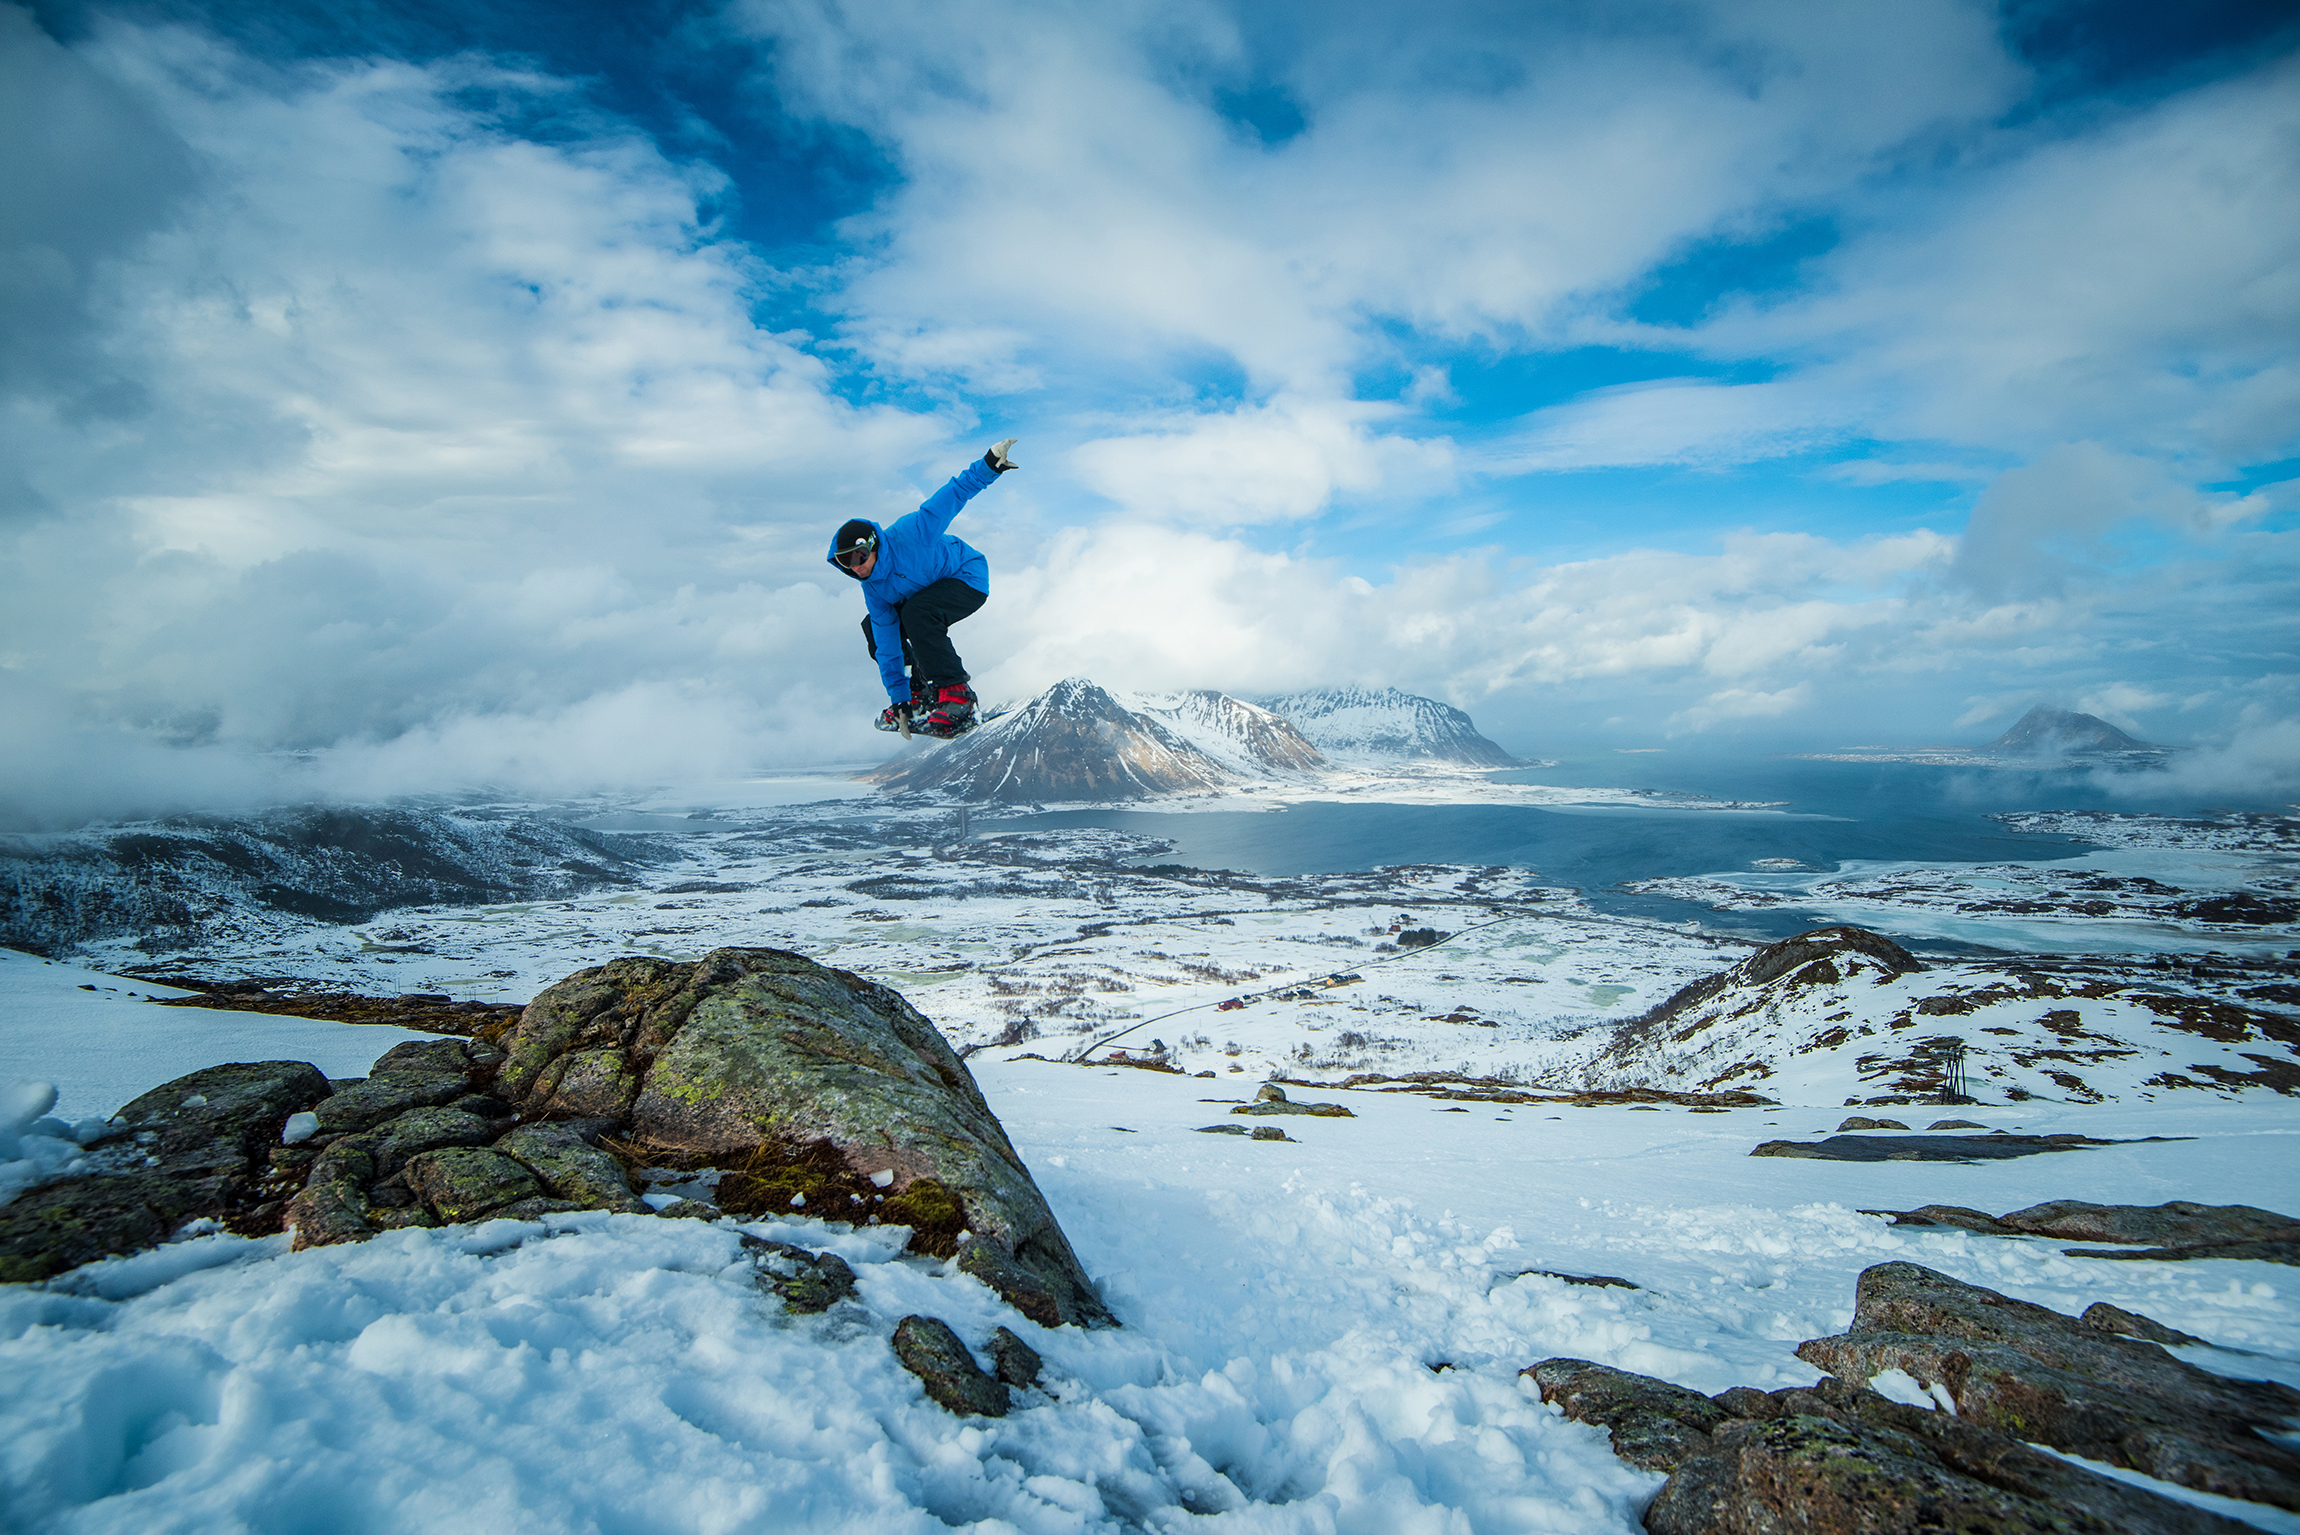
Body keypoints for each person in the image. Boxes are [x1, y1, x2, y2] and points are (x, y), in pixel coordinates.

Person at [827, 438, 1018, 737]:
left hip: (967, 576)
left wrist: (989, 466)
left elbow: (952, 495)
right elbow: (888, 644)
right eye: (845, 561)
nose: (856, 566)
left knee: (917, 612)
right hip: (926, 592)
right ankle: (917, 697)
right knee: (874, 628)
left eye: (860, 556)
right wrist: (899, 698)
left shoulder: (912, 532)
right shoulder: (874, 588)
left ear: (874, 547)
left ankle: (958, 695)